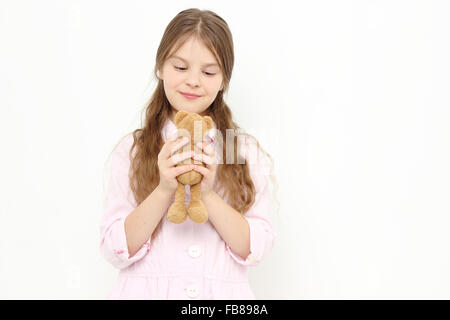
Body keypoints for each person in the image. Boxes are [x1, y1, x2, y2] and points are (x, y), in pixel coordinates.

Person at [99, 8, 279, 299]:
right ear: (160, 67)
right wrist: (163, 189)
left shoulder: (240, 150)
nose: (193, 81)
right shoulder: (133, 150)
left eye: (209, 72)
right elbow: (115, 248)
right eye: (180, 68)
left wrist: (208, 195)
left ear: (223, 80)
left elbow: (255, 249)